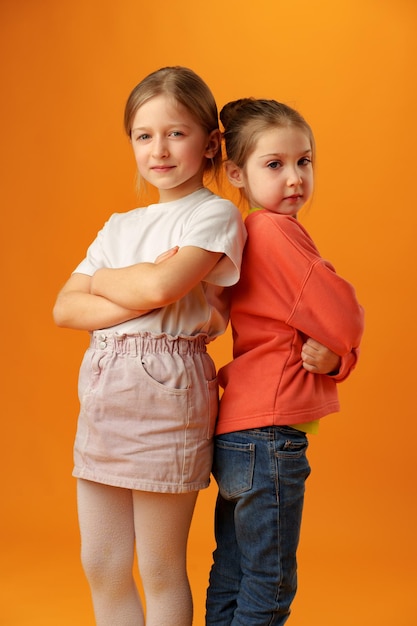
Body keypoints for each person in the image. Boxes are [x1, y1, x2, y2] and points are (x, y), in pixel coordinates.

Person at [53, 66, 246, 626]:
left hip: (168, 389)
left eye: (176, 133)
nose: (158, 149)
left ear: (210, 143)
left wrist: (109, 282)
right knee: (102, 562)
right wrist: (136, 282)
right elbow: (65, 307)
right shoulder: (119, 224)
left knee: (160, 567)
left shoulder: (214, 214)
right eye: (144, 136)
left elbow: (163, 287)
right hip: (105, 387)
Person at [205, 98, 365, 625]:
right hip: (270, 436)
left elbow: (311, 334)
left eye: (305, 160)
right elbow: (342, 318)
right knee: (269, 584)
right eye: (274, 164)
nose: (294, 177)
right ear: (237, 173)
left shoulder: (249, 233)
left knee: (232, 572)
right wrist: (343, 348)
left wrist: (334, 359)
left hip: (238, 433)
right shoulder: (275, 231)